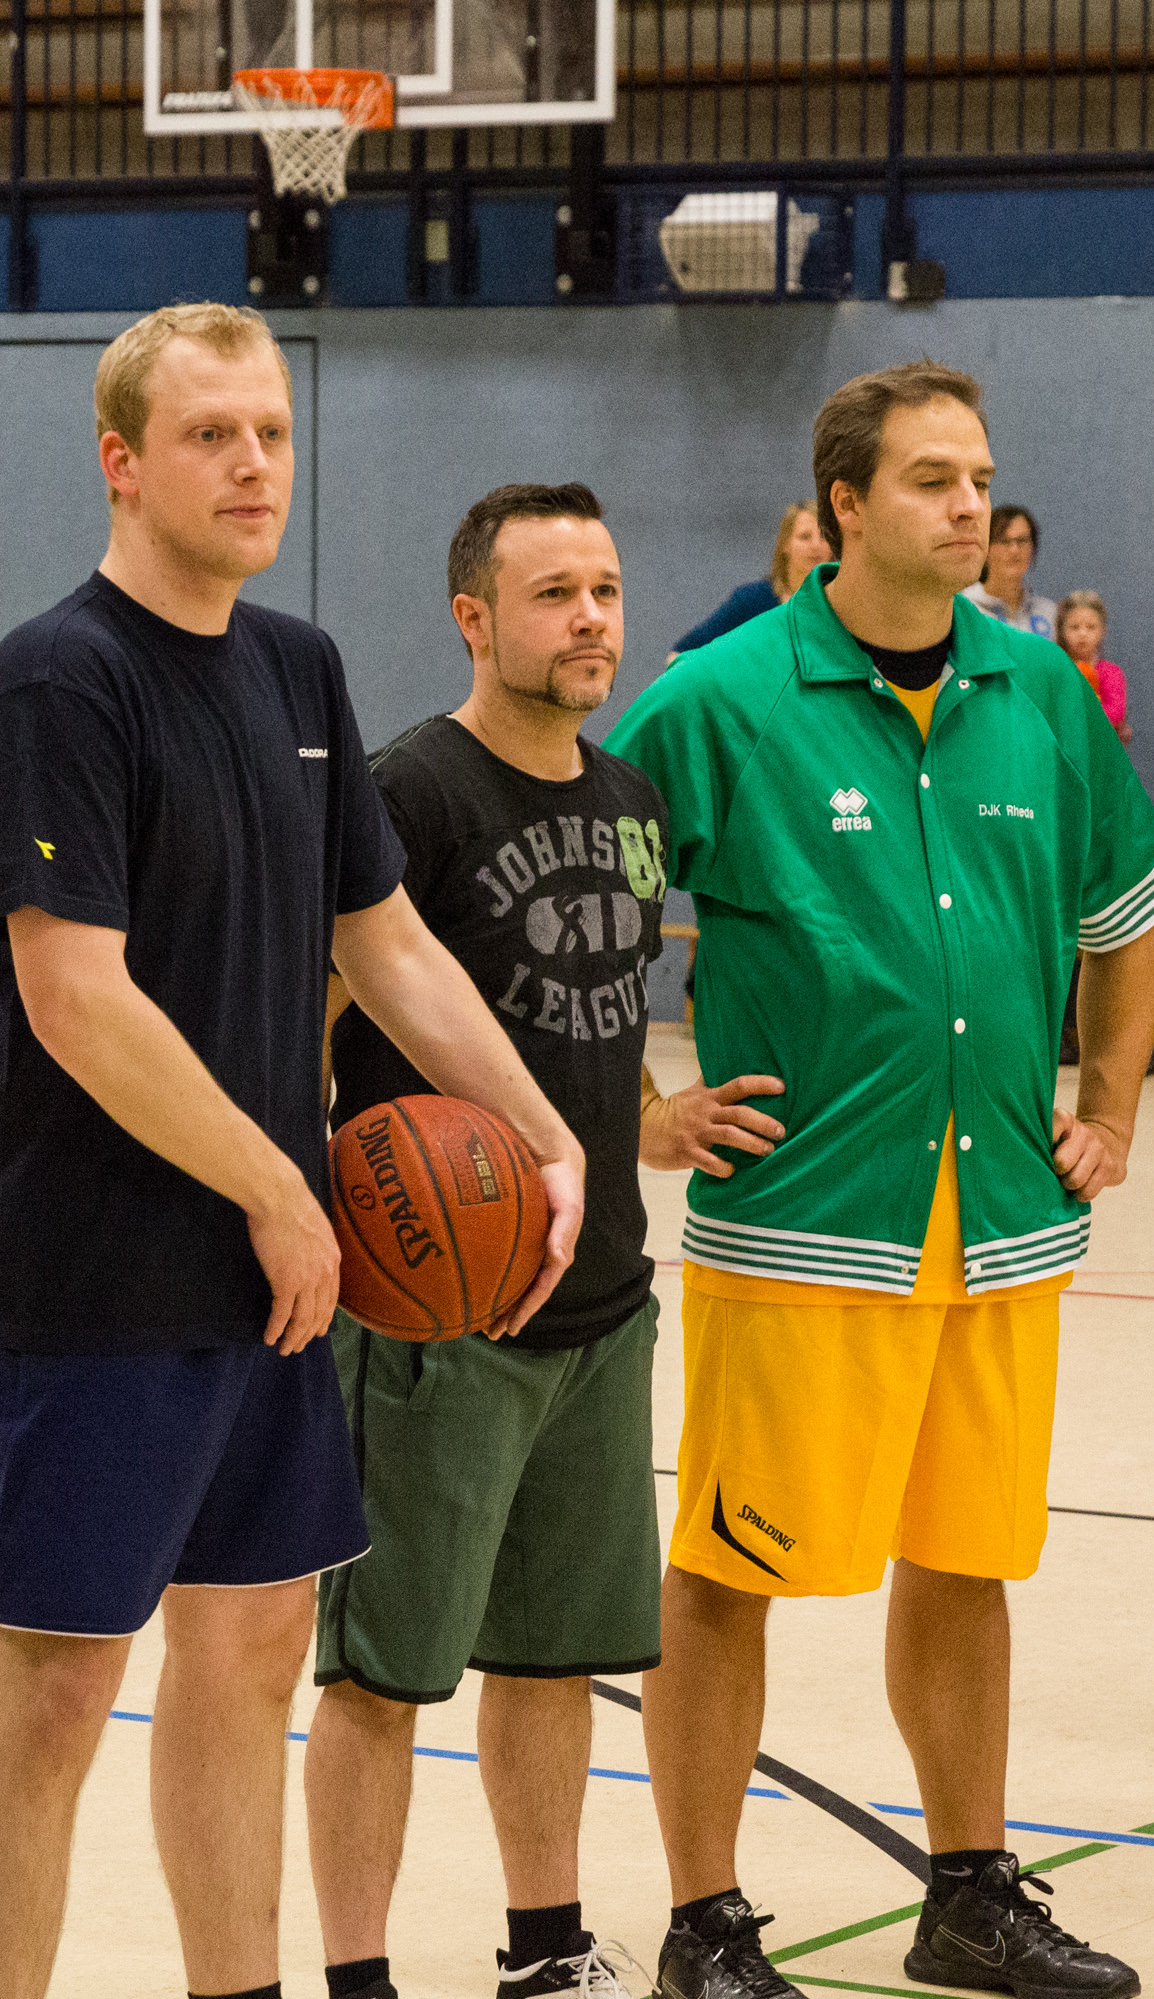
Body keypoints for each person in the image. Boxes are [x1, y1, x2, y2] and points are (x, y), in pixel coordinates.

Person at [0, 303, 589, 1999]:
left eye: (272, 433)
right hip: (88, 1271)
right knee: (57, 1688)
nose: (251, 464)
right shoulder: (54, 679)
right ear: (120, 459)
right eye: (209, 434)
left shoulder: (296, 667)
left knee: (248, 1650)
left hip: (266, 1275)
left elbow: (388, 941)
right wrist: (276, 1182)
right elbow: (74, 996)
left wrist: (539, 1130)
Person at [608, 361, 1154, 1999]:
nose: (968, 505)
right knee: (728, 1569)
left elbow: (1128, 907)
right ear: (841, 506)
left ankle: (967, 1892)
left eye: (977, 476)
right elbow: (571, 898)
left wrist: (1109, 1103)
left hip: (995, 1222)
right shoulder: (716, 698)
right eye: (930, 478)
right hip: (803, 1225)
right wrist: (639, 1106)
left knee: (966, 1558)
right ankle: (702, 1922)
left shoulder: (1037, 691)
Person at [304, 484, 782, 1999]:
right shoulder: (407, 791)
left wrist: (647, 1116)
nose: (590, 619)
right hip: (439, 1316)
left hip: (601, 1300)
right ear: (473, 617)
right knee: (381, 1671)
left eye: (606, 590)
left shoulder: (629, 798)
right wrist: (315, 1191)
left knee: (553, 1658)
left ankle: (545, 1947)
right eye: (553, 593)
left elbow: (588, 1015)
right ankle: (358, 1976)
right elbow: (318, 1010)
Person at [671, 502, 829, 654]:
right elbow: (680, 653)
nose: (816, 545)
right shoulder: (752, 600)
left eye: (824, 536)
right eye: (805, 537)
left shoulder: (839, 604)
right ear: (785, 544)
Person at [962, 503, 1055, 637]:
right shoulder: (964, 609)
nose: (1014, 550)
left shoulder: (1049, 613)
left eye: (1022, 540)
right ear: (986, 549)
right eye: (1004, 541)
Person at [1052, 590, 1130, 741]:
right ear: (1062, 630)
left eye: (1091, 627)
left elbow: (1115, 713)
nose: (1082, 633)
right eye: (1074, 627)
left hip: (1100, 746)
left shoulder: (1111, 672)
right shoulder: (1057, 671)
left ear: (1102, 631)